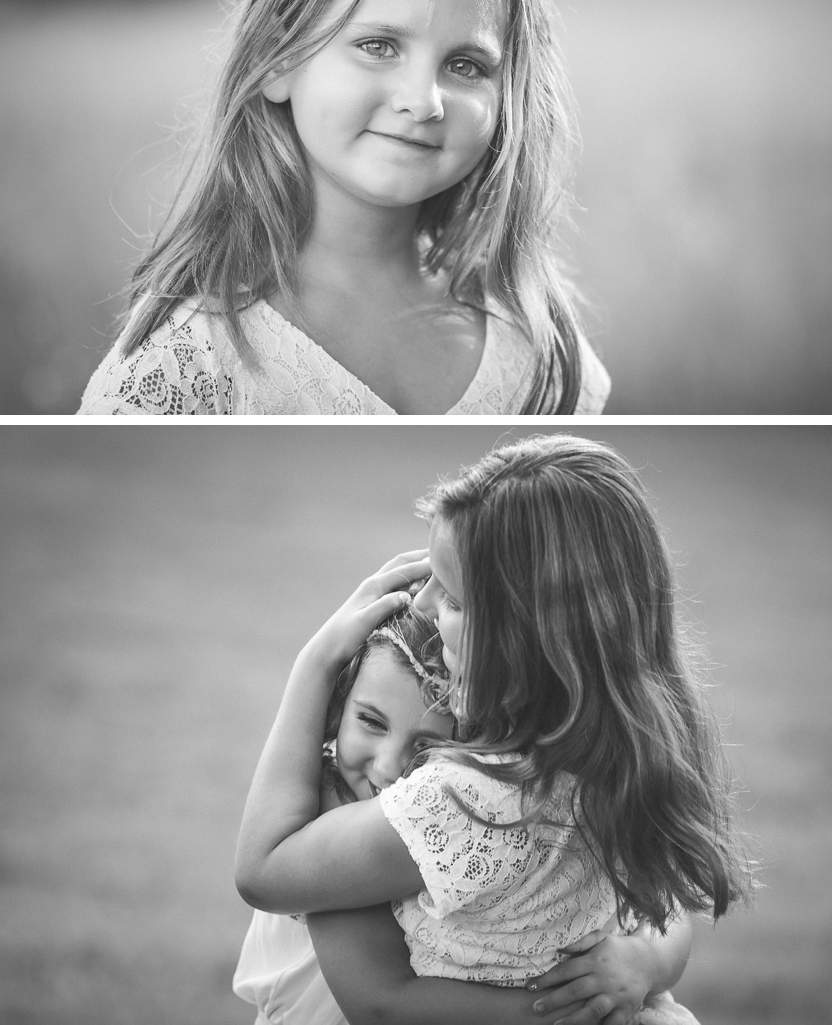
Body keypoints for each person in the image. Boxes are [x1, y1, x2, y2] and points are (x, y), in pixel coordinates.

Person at [235, 434, 749, 1024]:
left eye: (451, 598)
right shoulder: (618, 759)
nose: (422, 605)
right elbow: (666, 908)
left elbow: (264, 871)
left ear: (519, 636)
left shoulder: (465, 801)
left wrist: (317, 662)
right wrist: (644, 965)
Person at [79, 0, 610, 416]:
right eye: (378, 46)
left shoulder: (536, 348)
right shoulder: (184, 364)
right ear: (276, 59)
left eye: (466, 65)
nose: (423, 101)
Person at [234, 604, 454, 1025]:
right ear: (339, 708)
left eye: (427, 749)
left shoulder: (446, 819)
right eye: (372, 722)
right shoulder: (326, 808)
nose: (389, 767)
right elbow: (380, 1005)